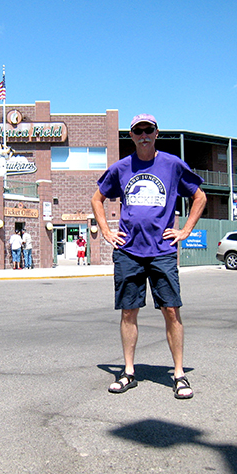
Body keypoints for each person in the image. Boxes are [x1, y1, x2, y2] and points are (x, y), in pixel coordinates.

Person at [90, 114, 207, 400]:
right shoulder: (121, 168)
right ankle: (128, 371)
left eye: (148, 130)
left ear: (156, 133)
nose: (143, 135)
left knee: (171, 310)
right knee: (129, 311)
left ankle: (179, 375)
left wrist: (185, 230)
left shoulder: (171, 164)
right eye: (137, 131)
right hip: (129, 250)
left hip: (162, 251)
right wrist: (106, 231)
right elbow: (97, 199)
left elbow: (199, 196)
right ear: (131, 136)